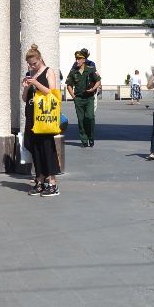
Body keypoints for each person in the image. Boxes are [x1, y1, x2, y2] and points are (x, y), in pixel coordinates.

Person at [21, 45, 62, 196]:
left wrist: (36, 83)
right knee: (34, 147)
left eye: (34, 64)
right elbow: (25, 98)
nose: (32, 66)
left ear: (40, 59)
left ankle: (52, 182)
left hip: (44, 116)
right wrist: (25, 87)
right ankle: (40, 180)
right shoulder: (30, 74)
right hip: (32, 115)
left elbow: (52, 92)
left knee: (46, 147)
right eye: (30, 64)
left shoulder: (48, 71)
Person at [64, 48, 101, 148]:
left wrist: (93, 89)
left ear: (84, 60)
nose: (77, 60)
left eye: (79, 59)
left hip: (89, 98)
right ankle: (84, 140)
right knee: (81, 119)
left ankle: (91, 137)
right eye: (76, 58)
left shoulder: (91, 69)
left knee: (90, 117)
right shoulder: (73, 71)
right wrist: (73, 97)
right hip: (79, 99)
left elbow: (98, 81)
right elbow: (69, 85)